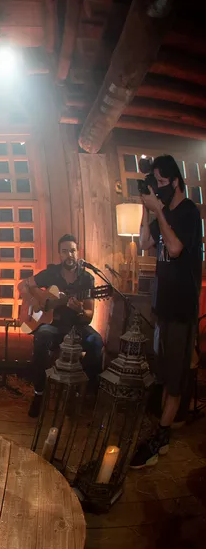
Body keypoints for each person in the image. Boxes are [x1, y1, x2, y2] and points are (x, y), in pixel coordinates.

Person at [131, 155, 203, 469]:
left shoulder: (188, 212)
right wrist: (146, 208)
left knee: (175, 377)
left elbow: (174, 249)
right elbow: (144, 243)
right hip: (163, 307)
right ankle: (162, 426)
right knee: (163, 371)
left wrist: (159, 211)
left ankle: (162, 436)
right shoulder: (164, 212)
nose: (159, 187)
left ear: (175, 181)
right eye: (156, 182)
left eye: (162, 182)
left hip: (181, 308)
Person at [18, 234, 103, 417]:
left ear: (78, 252)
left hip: (76, 327)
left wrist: (80, 310)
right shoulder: (51, 273)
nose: (69, 255)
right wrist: (36, 301)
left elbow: (89, 315)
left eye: (72, 250)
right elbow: (22, 285)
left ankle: (81, 393)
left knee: (96, 341)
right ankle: (39, 394)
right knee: (41, 337)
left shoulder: (86, 279)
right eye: (65, 251)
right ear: (59, 254)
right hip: (53, 325)